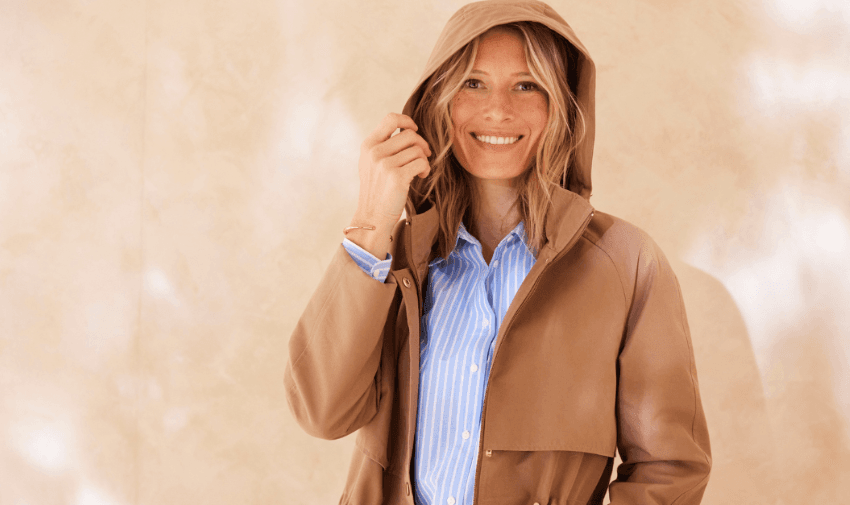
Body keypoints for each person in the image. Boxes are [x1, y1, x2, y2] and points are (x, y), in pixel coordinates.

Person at [285, 0, 711, 503]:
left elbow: (669, 468)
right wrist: (374, 221)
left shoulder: (626, 262)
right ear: (438, 101)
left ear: (561, 104)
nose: (498, 109)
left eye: (527, 85)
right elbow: (321, 411)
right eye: (472, 82)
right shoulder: (392, 259)